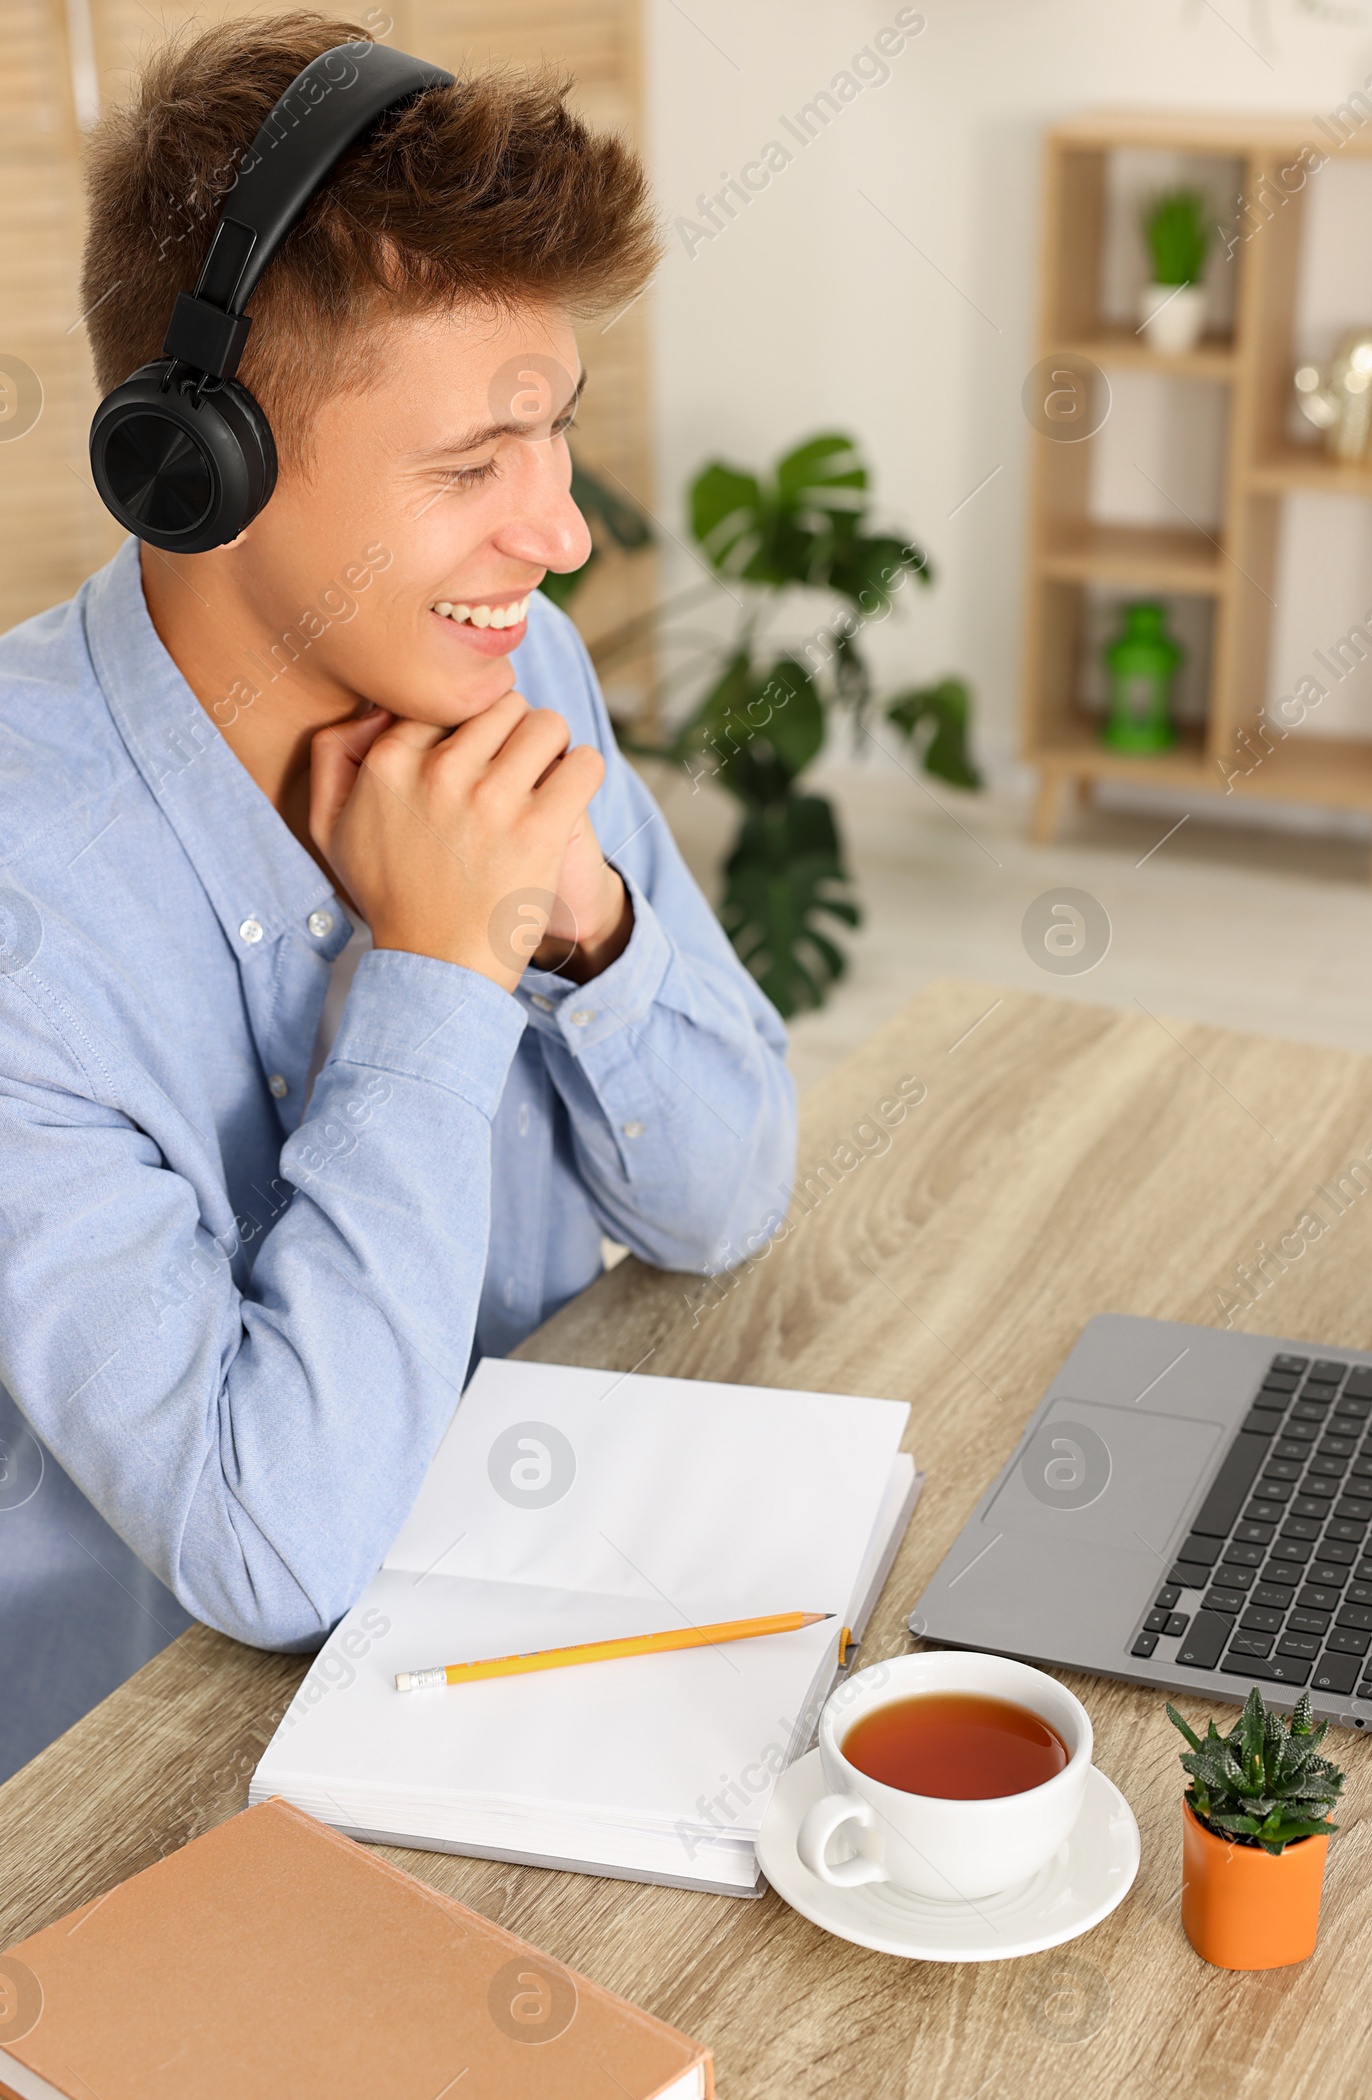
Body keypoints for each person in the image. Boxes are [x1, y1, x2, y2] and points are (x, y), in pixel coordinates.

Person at [0, 12, 796, 1767]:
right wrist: (439, 973)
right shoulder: (23, 907)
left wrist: (577, 923)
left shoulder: (514, 677)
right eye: (472, 469)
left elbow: (729, 1197)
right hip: (139, 1796)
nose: (562, 534)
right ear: (195, 470)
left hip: (512, 1646)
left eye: (554, 440)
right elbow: (272, 1547)